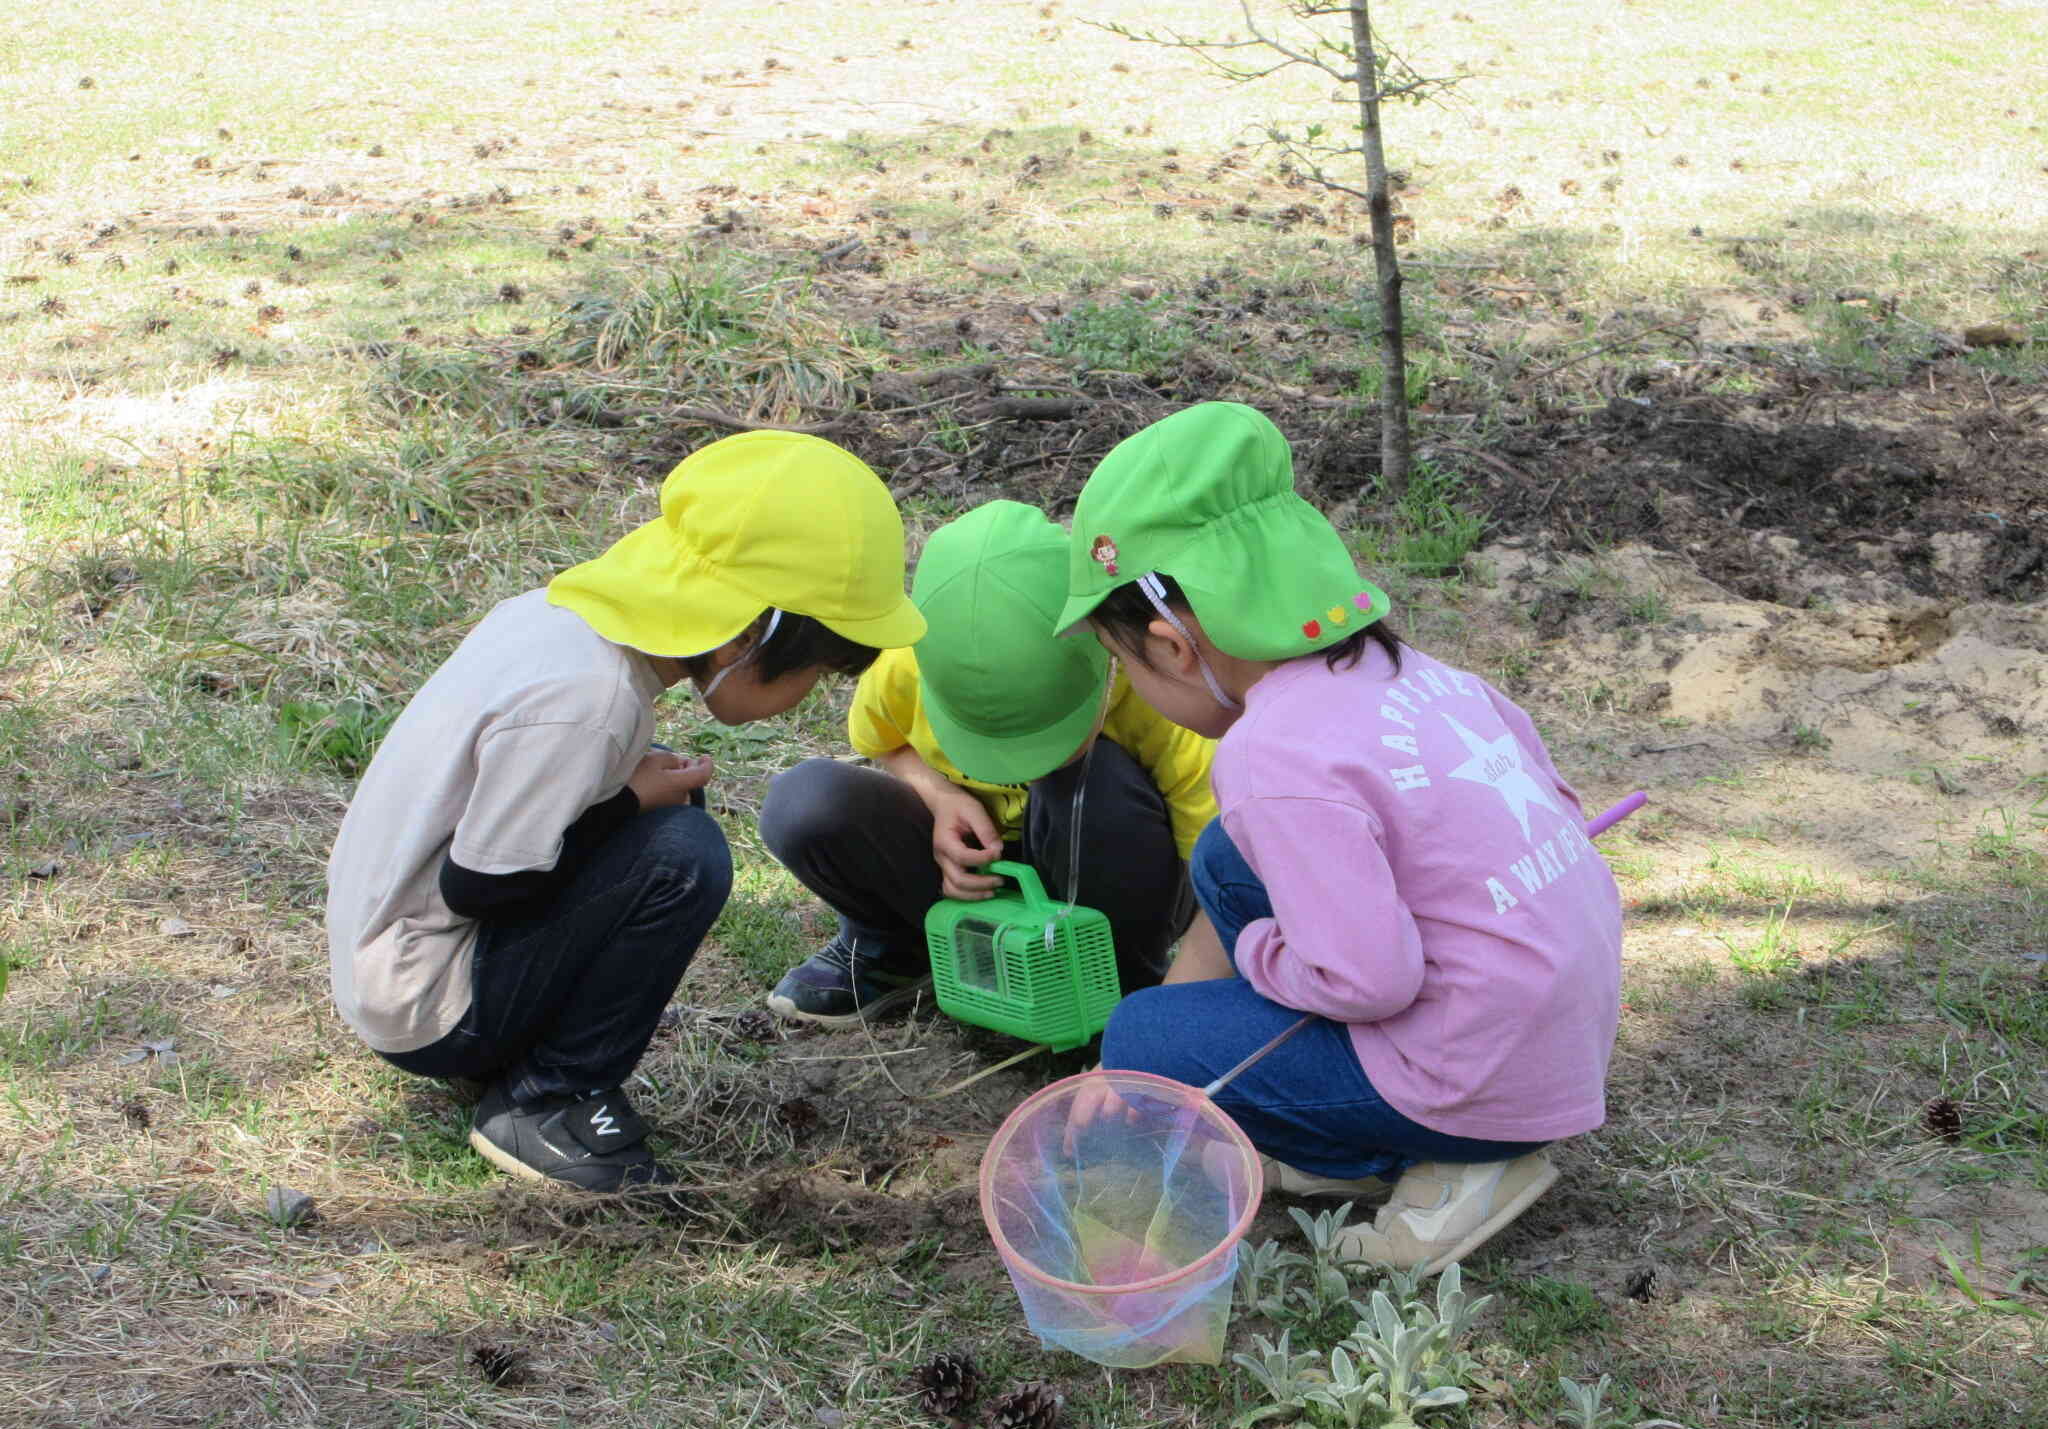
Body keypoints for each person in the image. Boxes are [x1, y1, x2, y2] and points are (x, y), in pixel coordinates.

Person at [1057, 403, 1622, 1275]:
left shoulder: (1270, 754)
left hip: (1476, 1071)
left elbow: (1370, 979)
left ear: (1170, 646)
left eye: (1121, 661)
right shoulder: (1423, 675)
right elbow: (1550, 800)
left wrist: (1260, 953)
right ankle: (1380, 1130)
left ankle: (1451, 1162)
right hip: (1554, 1019)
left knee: (1146, 1040)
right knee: (1227, 859)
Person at [325, 431, 923, 1198]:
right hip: (424, 999)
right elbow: (481, 886)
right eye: (817, 669)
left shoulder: (559, 620)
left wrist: (626, 792)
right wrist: (628, 802)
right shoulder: (590, 702)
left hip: (398, 949)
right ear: (749, 634)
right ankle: (552, 1101)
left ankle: (536, 1059)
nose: (809, 694)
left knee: (661, 804)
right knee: (680, 851)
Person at [759, 499, 1217, 1026]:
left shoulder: (1155, 693)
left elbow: (1214, 860)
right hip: (979, 868)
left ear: (1101, 650)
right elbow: (886, 743)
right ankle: (895, 949)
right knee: (808, 802)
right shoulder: (903, 668)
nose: (1012, 764)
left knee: (1091, 781)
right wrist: (940, 795)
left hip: (1109, 873)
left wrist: (1176, 1001)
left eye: (1042, 735)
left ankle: (1115, 987)